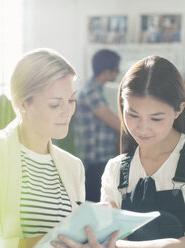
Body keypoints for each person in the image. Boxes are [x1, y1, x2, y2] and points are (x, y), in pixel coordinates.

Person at [0, 48, 89, 248]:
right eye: (55, 104)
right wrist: (55, 240)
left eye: (71, 100)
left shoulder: (73, 166)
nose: (68, 111)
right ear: (23, 103)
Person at [98, 55, 185, 247]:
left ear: (179, 110)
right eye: (133, 115)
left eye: (156, 118)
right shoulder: (115, 169)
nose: (143, 128)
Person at [73, 49, 121, 202]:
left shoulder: (95, 90)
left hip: (98, 161)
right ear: (107, 71)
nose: (119, 72)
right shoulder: (91, 92)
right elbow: (118, 125)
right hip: (95, 163)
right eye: (117, 68)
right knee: (98, 208)